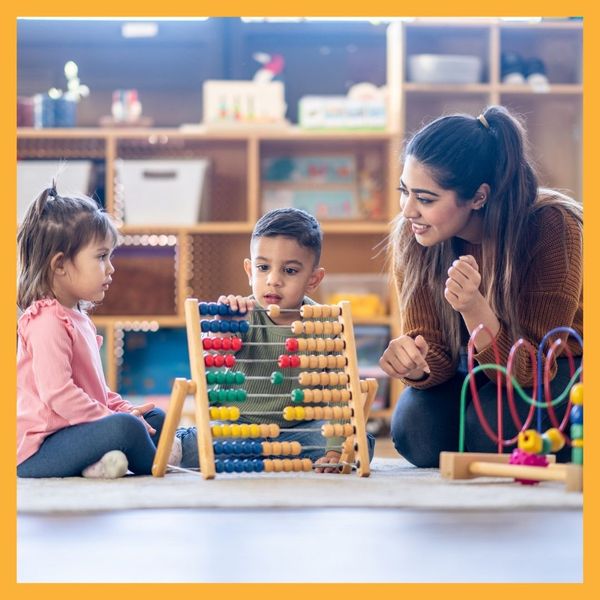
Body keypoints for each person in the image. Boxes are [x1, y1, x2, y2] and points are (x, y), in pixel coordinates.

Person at [380, 105, 582, 468]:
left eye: (425, 198)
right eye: (405, 191)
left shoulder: (553, 226)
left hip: (558, 364)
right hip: (476, 366)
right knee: (417, 434)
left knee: (487, 433)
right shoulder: (416, 236)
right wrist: (416, 365)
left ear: (478, 197)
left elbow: (532, 369)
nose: (408, 209)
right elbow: (436, 351)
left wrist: (474, 308)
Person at [174, 207, 376, 472]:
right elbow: (207, 364)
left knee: (359, 444)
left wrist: (336, 448)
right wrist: (222, 329)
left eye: (290, 271)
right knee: (197, 444)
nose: (273, 280)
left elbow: (340, 394)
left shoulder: (327, 323)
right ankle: (195, 446)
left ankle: (265, 456)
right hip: (236, 425)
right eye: (263, 267)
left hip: (297, 430)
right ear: (249, 270)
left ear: (313, 279)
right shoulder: (239, 314)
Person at [17, 183, 176, 478]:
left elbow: (96, 392)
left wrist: (124, 407)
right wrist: (116, 418)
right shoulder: (46, 321)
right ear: (61, 264)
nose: (111, 268)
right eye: (101, 257)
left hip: (76, 431)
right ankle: (166, 459)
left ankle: (103, 463)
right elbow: (59, 395)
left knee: (155, 417)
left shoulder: (77, 316)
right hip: (40, 451)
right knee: (126, 428)